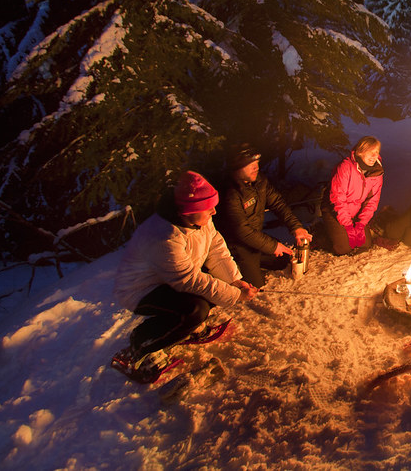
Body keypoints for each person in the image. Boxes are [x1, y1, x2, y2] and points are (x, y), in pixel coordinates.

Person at [112, 171, 257, 380]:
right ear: (190, 210)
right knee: (195, 309)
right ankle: (144, 341)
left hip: (169, 278)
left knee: (214, 290)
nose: (214, 212)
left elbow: (216, 248)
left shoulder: (200, 220)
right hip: (141, 289)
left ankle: (184, 327)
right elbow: (189, 280)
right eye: (208, 208)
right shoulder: (164, 235)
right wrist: (234, 294)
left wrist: (234, 281)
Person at [217, 143, 312, 288]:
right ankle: (234, 266)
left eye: (257, 163)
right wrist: (273, 246)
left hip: (255, 239)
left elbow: (278, 204)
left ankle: (257, 258)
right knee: (255, 285)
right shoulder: (230, 193)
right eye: (251, 165)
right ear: (237, 167)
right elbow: (242, 231)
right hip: (235, 246)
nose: (256, 167)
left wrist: (296, 227)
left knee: (286, 258)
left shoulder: (259, 181)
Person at [319, 136, 384, 255]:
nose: (374, 156)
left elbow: (372, 201)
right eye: (371, 152)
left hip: (356, 212)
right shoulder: (346, 167)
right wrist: (348, 226)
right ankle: (323, 232)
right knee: (344, 248)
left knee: (365, 244)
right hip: (335, 210)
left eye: (376, 152)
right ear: (360, 152)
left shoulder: (377, 172)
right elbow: (338, 199)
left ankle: (347, 230)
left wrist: (361, 224)